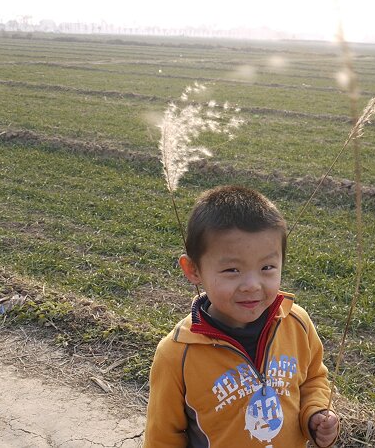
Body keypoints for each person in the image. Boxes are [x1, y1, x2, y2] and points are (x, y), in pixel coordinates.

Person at [144, 185, 340, 447]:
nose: (252, 285)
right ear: (193, 270)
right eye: (232, 270)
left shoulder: (297, 323)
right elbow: (162, 438)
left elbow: (314, 378)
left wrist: (315, 413)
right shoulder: (176, 354)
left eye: (267, 267)